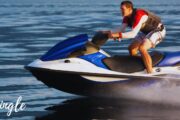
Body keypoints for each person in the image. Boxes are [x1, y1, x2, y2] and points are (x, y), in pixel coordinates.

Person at [104, 0, 166, 73]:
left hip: (158, 31)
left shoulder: (139, 15)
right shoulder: (126, 17)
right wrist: (106, 32)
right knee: (131, 49)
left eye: (123, 9)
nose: (121, 11)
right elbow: (121, 28)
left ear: (130, 9)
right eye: (121, 9)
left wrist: (118, 35)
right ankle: (139, 68)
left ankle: (150, 72)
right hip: (146, 32)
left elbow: (133, 34)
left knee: (142, 48)